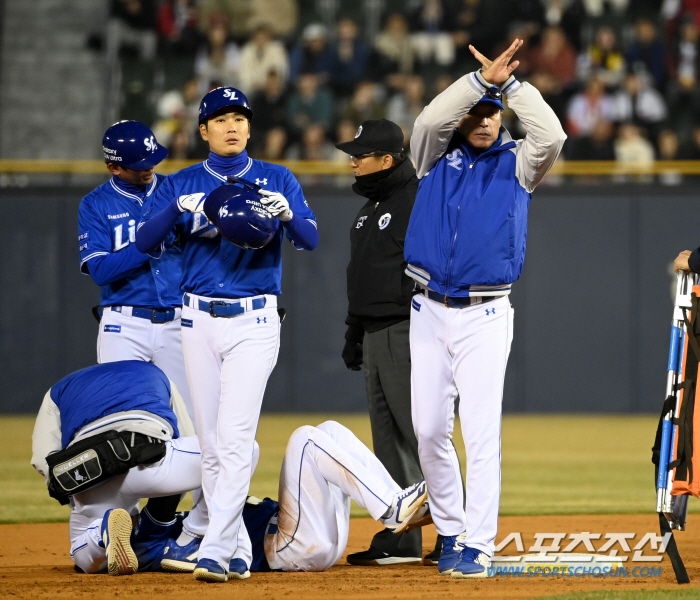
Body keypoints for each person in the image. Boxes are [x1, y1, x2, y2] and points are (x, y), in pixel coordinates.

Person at [135, 86, 318, 583]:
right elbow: (144, 241)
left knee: (234, 438)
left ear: (249, 127)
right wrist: (176, 209)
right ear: (204, 130)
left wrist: (288, 214)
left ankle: (213, 550)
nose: (232, 125)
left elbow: (311, 238)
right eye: (220, 119)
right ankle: (237, 545)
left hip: (254, 321)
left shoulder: (276, 177)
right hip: (195, 321)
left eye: (239, 117)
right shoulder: (182, 182)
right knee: (213, 445)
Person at [404, 39, 566, 579]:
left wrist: (510, 86)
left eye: (492, 113)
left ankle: (479, 544)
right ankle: (450, 529)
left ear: (503, 118)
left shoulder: (520, 163)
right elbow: (429, 119)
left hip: (485, 313)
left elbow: (554, 134)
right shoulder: (432, 156)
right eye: (476, 111)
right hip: (428, 308)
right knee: (428, 430)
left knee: (479, 431)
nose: (484, 120)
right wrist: (478, 84)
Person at [133, 421, 429, 574]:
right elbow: (160, 508)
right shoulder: (156, 542)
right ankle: (392, 509)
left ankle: (397, 503)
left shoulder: (171, 529)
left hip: (309, 538)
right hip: (290, 548)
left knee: (330, 431)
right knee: (306, 439)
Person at [334, 119, 428, 567]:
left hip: (407, 330)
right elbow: (362, 277)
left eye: (361, 154)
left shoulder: (417, 199)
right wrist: (355, 330)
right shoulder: (369, 208)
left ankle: (455, 529)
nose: (353, 160)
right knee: (388, 441)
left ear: (386, 160)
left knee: (423, 437)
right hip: (374, 334)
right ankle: (402, 535)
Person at [30, 361, 209, 576]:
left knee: (84, 557)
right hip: (152, 463)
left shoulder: (58, 389)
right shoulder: (156, 373)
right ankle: (186, 534)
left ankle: (100, 532)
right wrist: (163, 508)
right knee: (231, 454)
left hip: (94, 473)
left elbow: (43, 458)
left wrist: (77, 497)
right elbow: (186, 435)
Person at [78, 121, 193, 421]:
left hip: (178, 321)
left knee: (190, 422)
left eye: (152, 159)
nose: (149, 167)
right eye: (139, 164)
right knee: (123, 419)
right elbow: (100, 270)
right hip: (123, 325)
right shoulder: (94, 204)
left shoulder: (176, 191)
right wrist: (145, 245)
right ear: (114, 167)